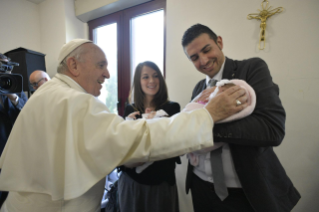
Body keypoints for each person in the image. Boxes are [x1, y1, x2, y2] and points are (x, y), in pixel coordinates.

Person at [0, 39, 248, 212]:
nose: (108, 74)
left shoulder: (49, 93)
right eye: (101, 65)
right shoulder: (72, 100)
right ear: (73, 65)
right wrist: (208, 115)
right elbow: (138, 140)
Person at [182, 24, 300, 212]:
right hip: (201, 187)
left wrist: (203, 127)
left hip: (246, 193)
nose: (203, 60)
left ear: (219, 42)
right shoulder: (199, 88)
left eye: (207, 50)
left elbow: (272, 129)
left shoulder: (251, 69)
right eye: (194, 58)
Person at [118, 61, 181, 212]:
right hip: (132, 183)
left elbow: (174, 145)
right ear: (138, 82)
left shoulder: (172, 108)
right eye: (145, 77)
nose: (151, 81)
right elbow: (123, 146)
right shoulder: (130, 110)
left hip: (161, 183)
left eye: (155, 76)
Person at [0, 53, 28, 208]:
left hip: (15, 156)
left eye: (7, 67)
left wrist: (14, 98)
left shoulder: (17, 89)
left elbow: (30, 116)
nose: (5, 71)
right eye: (1, 68)